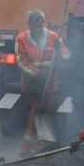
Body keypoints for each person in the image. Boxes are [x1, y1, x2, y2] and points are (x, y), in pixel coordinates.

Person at [15, 9, 70, 157]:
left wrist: (60, 50)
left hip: (47, 87)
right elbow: (21, 62)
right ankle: (40, 149)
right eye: (34, 27)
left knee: (34, 120)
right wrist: (39, 73)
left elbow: (66, 56)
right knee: (29, 120)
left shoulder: (53, 37)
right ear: (28, 24)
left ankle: (25, 152)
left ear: (43, 23)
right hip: (29, 87)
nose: (38, 30)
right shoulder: (21, 39)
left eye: (40, 26)